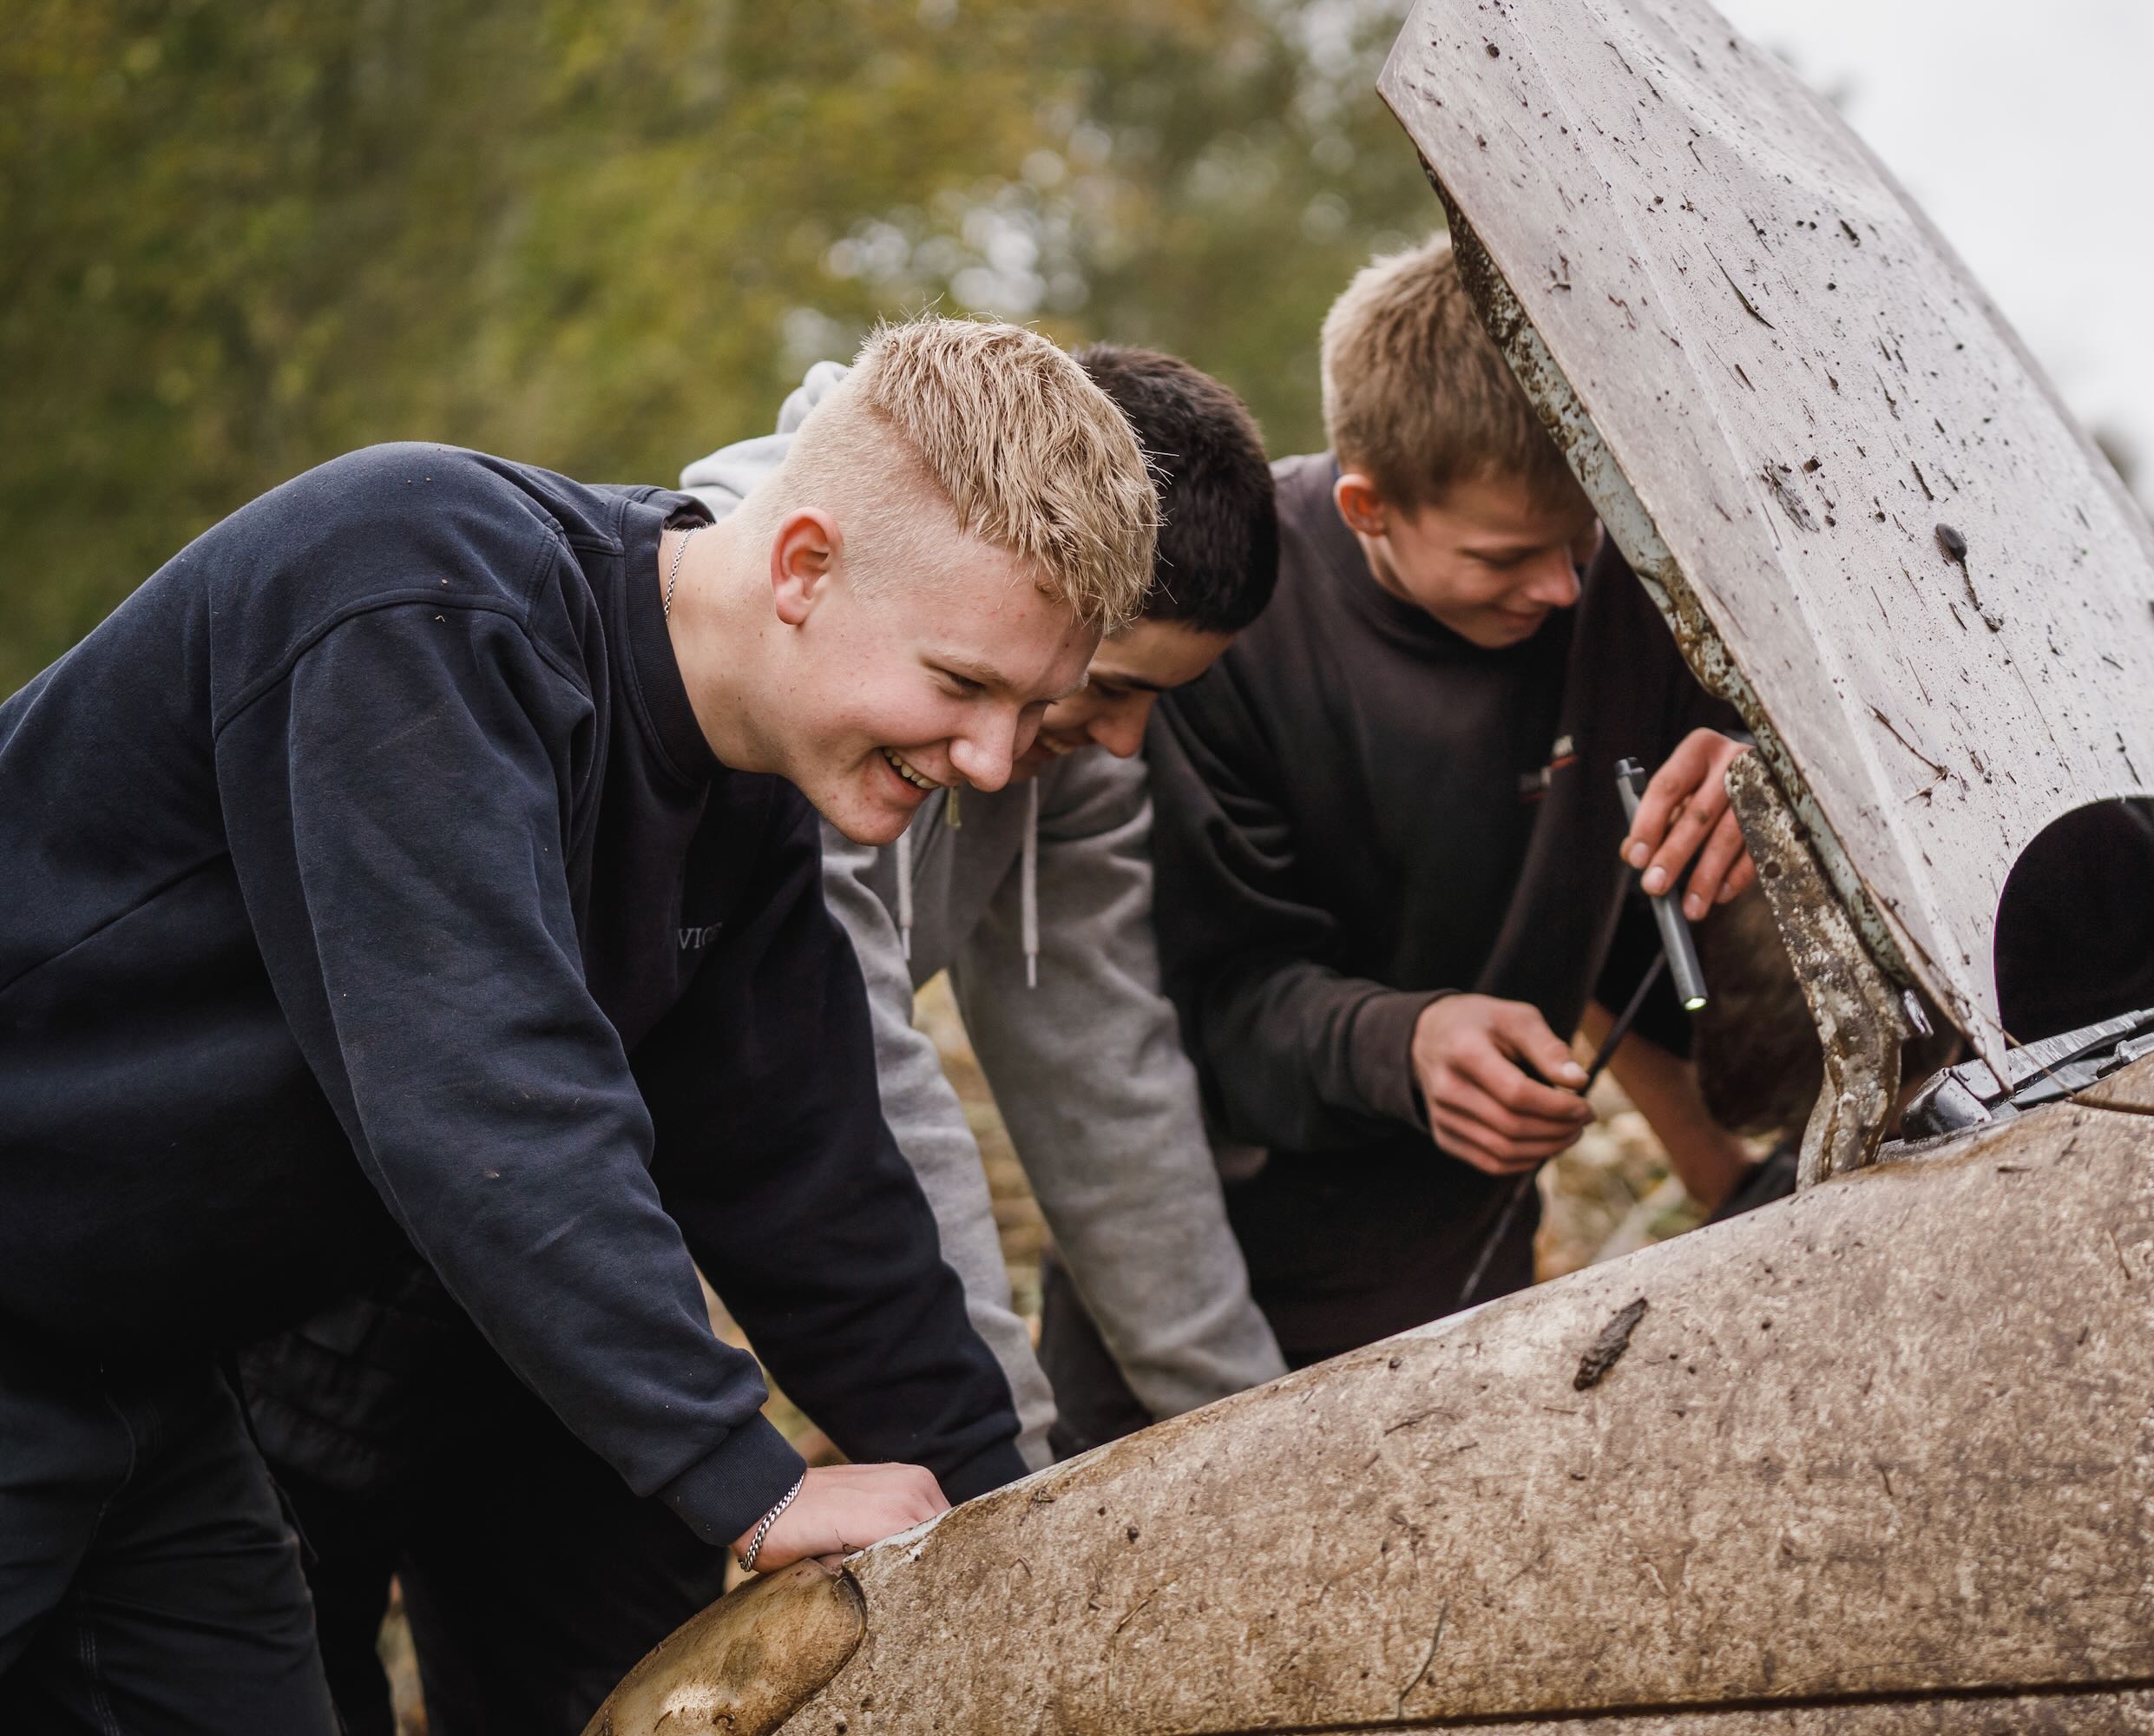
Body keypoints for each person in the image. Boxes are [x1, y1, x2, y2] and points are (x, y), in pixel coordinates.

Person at [0, 317, 1156, 1735]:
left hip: (148, 1374)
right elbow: (481, 1090)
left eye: (1029, 707)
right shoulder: (417, 595)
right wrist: (751, 1479)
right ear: (803, 565)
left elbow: (807, 1184)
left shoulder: (740, 809)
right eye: (963, 686)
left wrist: (1010, 1515)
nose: (988, 759)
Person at [1138, 234, 1765, 1379]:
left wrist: (1758, 769)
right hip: (1216, 1268)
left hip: (1472, 1260)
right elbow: (1209, 1005)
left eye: (1580, 540)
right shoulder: (1230, 622)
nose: (1562, 589)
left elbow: (1730, 804)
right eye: (1505, 556)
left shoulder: (1625, 583)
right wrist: (1407, 1040)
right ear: (1369, 504)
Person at [680, 343, 1289, 1467]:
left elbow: (1106, 1080)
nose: (1121, 740)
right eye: (1108, 692)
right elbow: (866, 1082)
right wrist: (1006, 1470)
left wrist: (1252, 1429)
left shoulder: (1067, 756)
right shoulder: (806, 674)